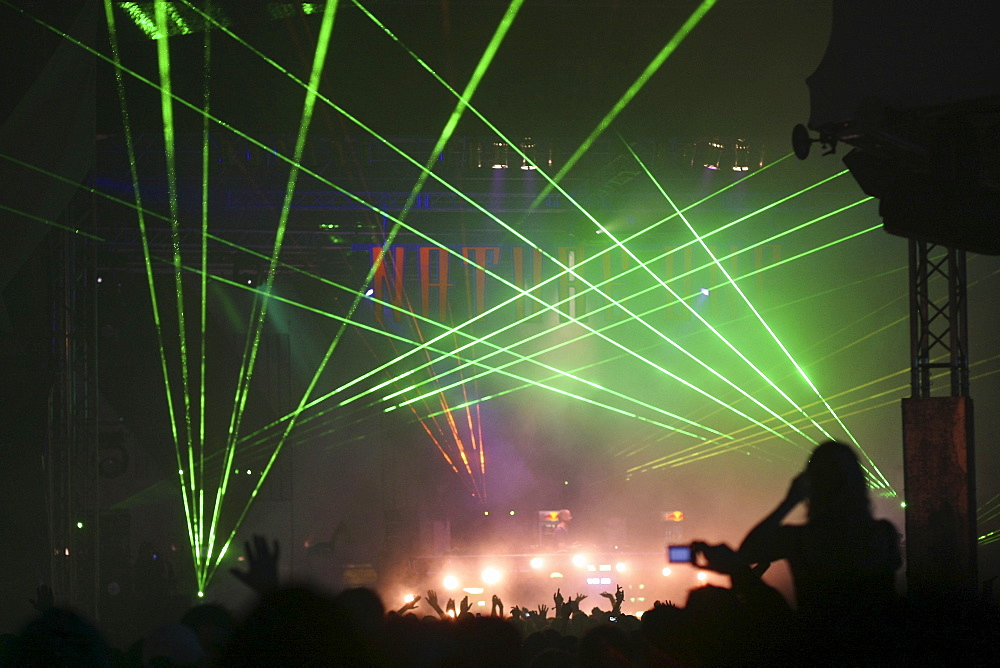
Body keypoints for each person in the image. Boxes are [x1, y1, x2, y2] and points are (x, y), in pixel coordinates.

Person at [739, 441, 902, 622]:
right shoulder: (883, 534)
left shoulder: (798, 539)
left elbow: (746, 553)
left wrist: (789, 502)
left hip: (818, 645)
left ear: (812, 485)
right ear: (858, 483)